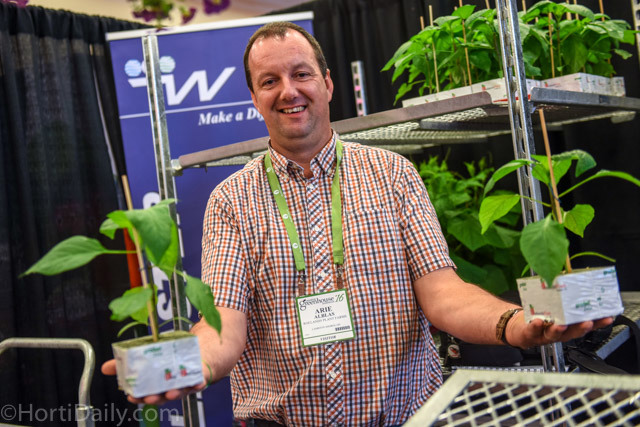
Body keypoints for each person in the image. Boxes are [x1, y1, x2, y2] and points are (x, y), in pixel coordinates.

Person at [103, 21, 613, 425]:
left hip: (407, 417)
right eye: (269, 81)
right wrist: (190, 365)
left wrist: (516, 325)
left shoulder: (393, 174)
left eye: (301, 74)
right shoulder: (230, 201)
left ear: (327, 84)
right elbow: (223, 327)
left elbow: (443, 295)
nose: (288, 91)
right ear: (255, 99)